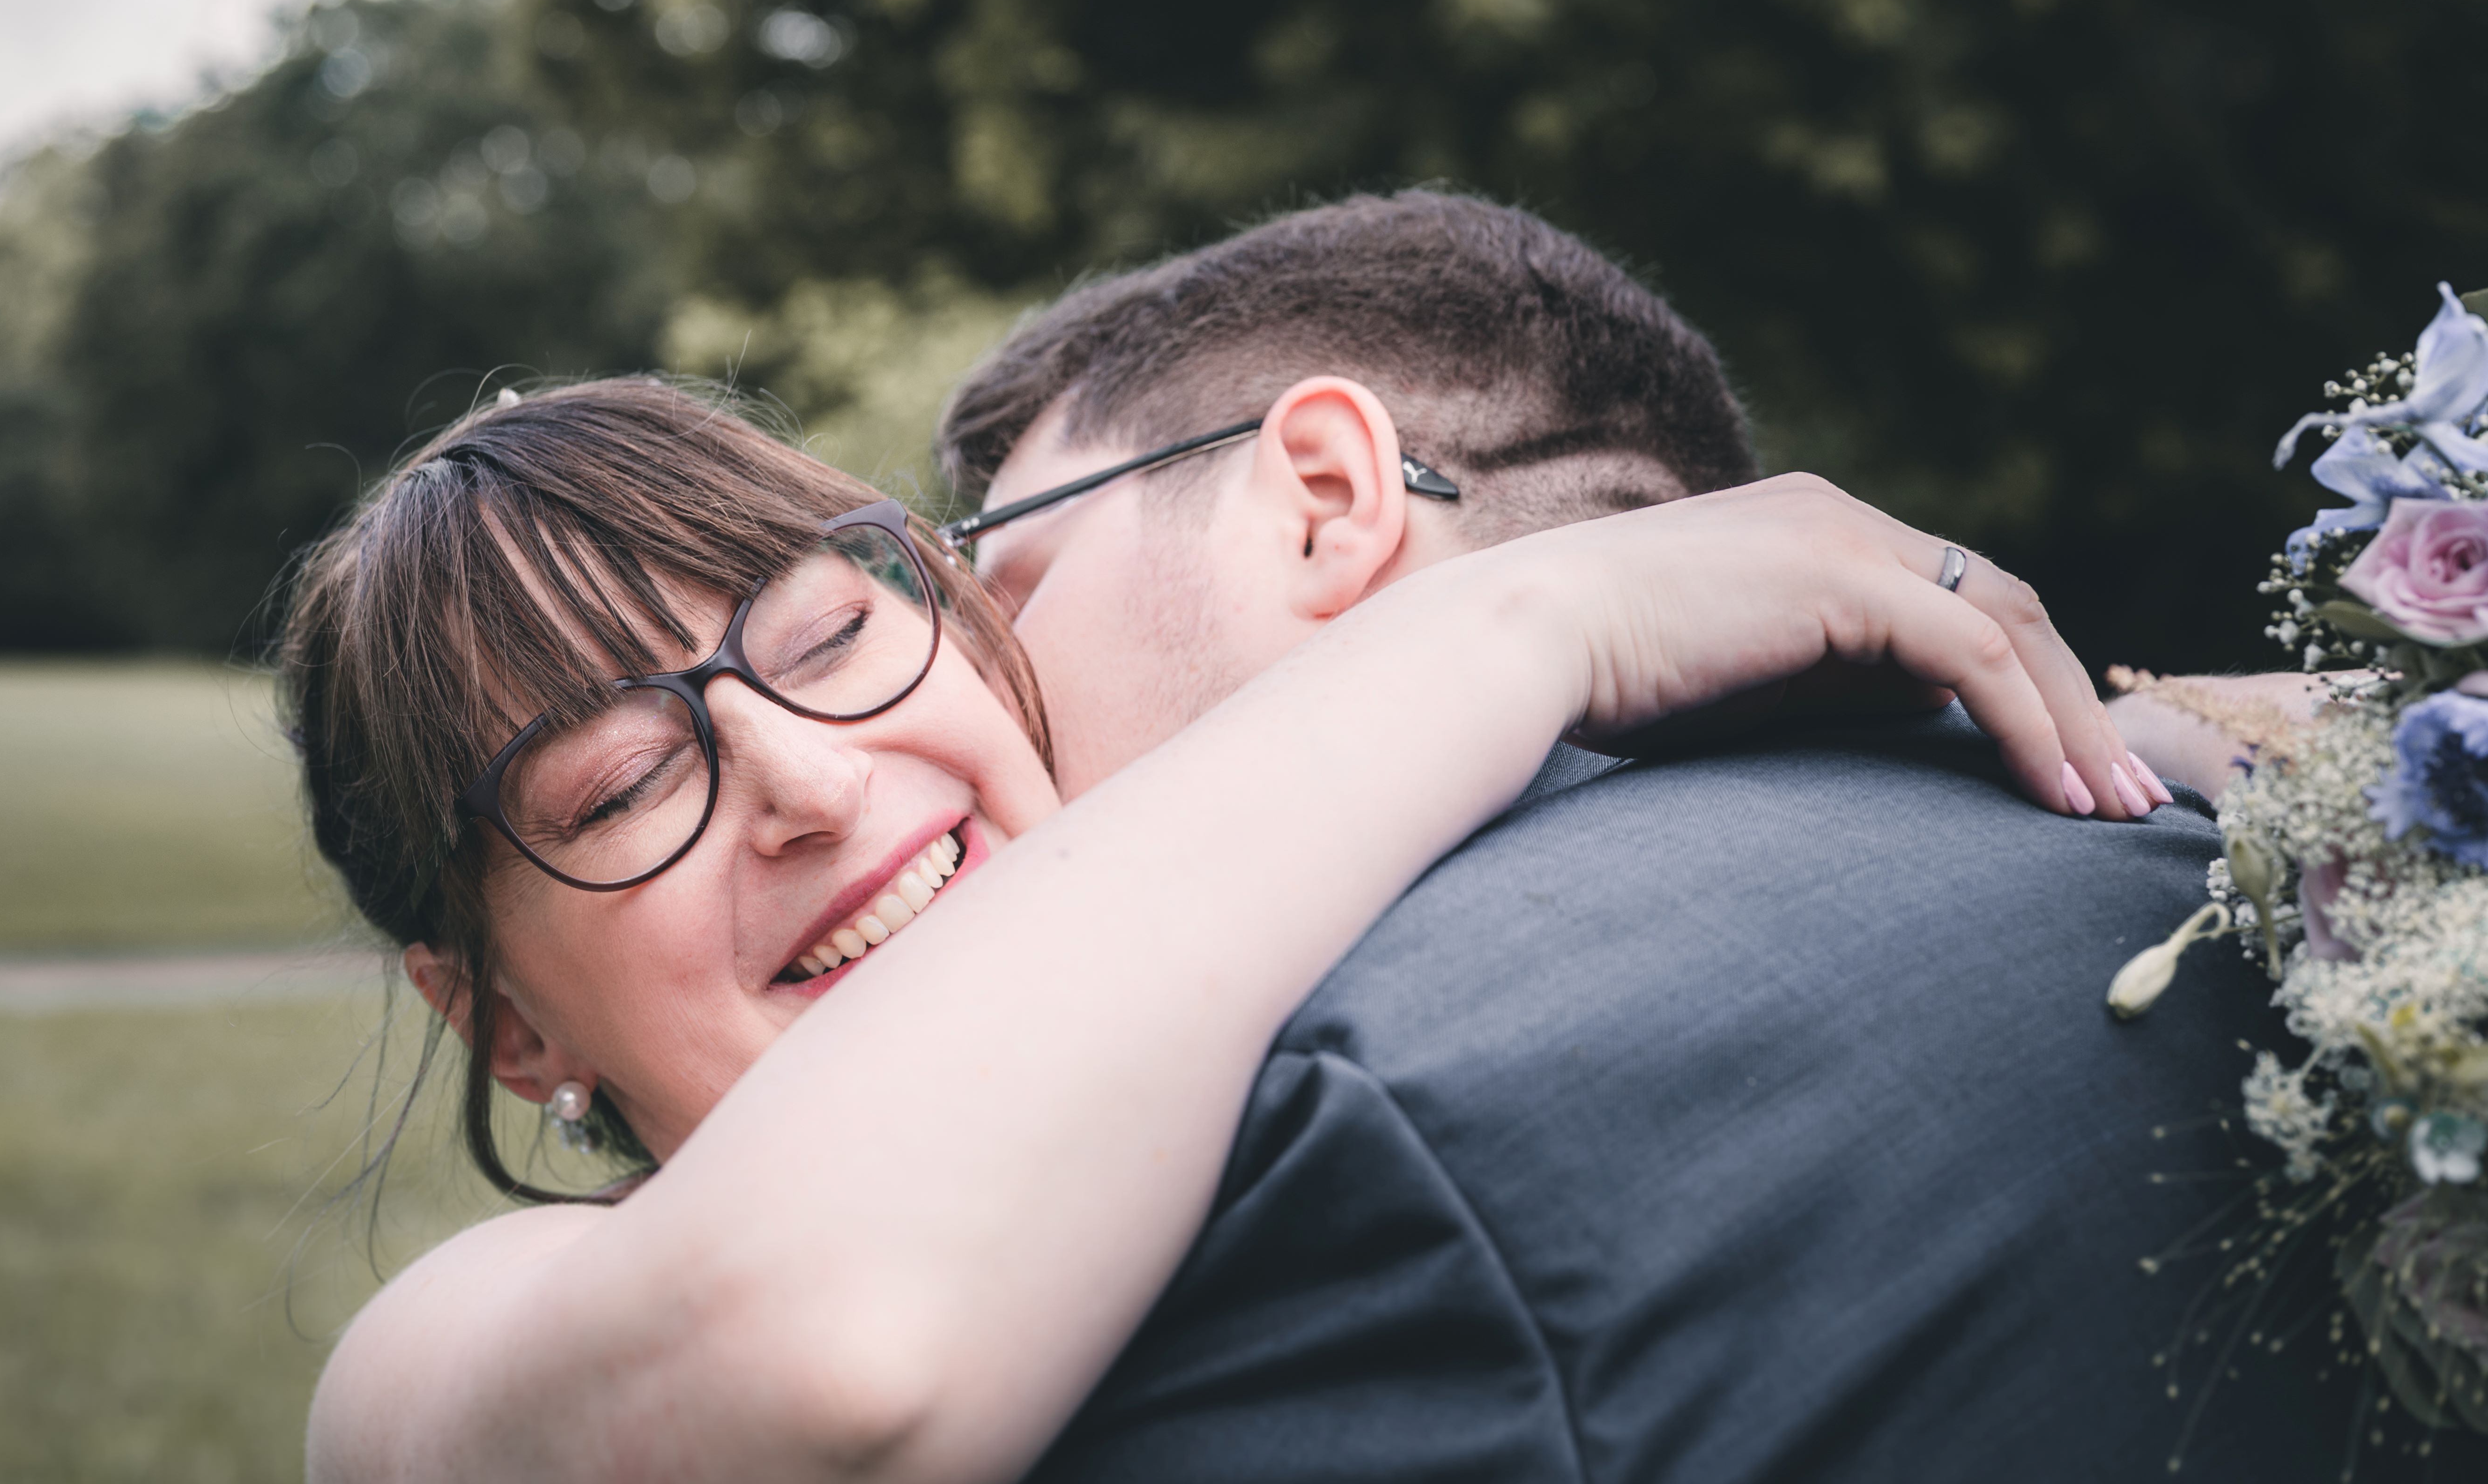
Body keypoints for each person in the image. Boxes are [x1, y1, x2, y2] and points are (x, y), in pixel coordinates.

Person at [291, 368, 2131, 1482]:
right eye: (616, 791)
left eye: (832, 639)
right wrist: (1523, 619)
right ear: (501, 1022)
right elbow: (831, 1344)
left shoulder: (1322, 981)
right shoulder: (435, 1372)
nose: (809, 783)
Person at [932, 192, 2480, 1480]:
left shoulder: (1340, 1125)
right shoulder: (2270, 844)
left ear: (1326, 499)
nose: (976, 692)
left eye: (1012, 592)